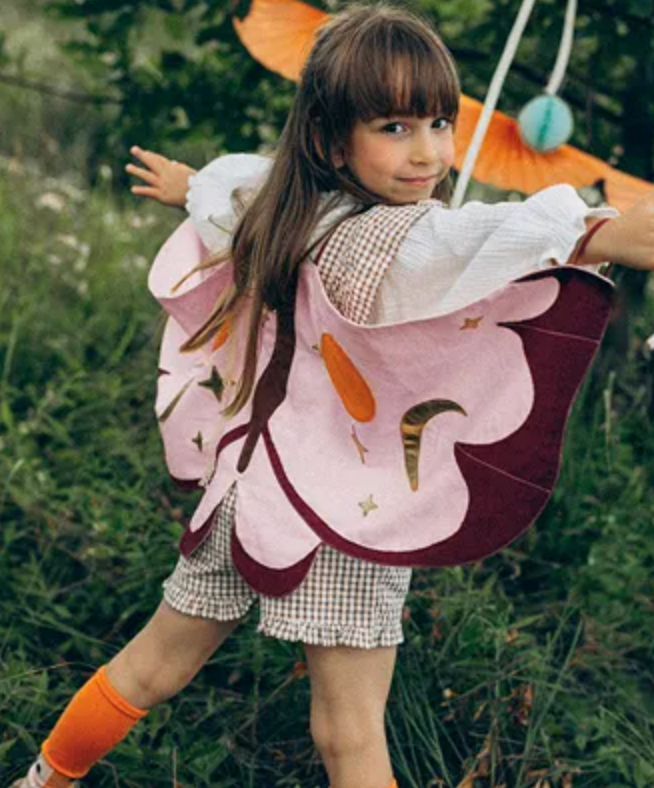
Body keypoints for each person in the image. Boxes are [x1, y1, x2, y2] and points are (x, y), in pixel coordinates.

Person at [13, 3, 654, 787]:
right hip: (340, 512)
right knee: (350, 734)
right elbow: (483, 234)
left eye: (439, 123)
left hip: (248, 487)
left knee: (149, 669)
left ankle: (42, 781)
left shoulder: (289, 208)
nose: (428, 152)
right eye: (394, 127)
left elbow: (236, 189)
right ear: (329, 139)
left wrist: (190, 186)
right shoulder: (390, 236)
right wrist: (599, 232)